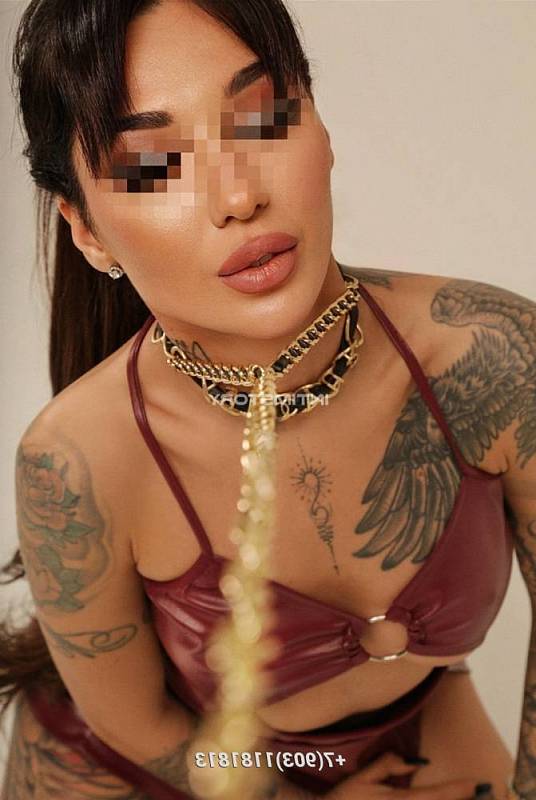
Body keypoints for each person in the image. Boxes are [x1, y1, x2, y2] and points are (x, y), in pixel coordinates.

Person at [1, 0, 534, 798]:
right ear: (88, 232)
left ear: (319, 125)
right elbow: (137, 726)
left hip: (408, 729)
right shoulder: (76, 460)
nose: (238, 197)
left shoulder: (492, 351)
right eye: (154, 166)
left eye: (262, 120)